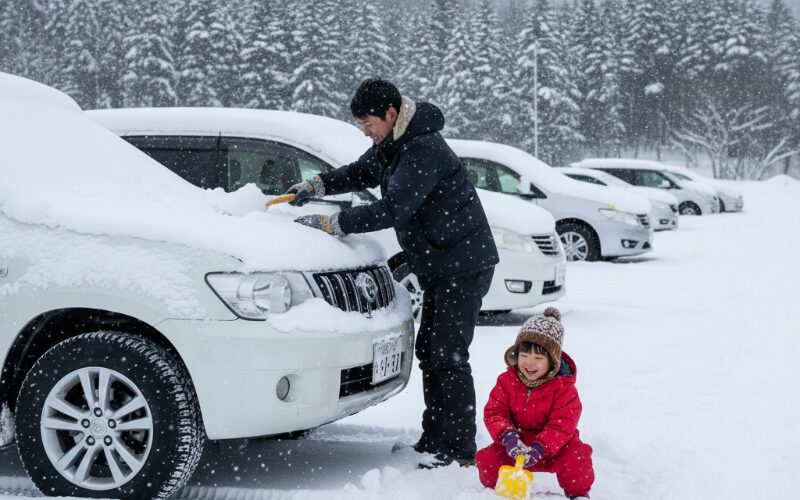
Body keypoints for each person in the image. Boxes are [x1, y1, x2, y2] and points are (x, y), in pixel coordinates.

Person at [287, 78, 499, 467]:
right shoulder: (392, 144)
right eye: (360, 126)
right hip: (441, 264)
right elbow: (359, 172)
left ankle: (459, 450)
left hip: (463, 264)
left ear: (391, 113)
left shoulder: (422, 148)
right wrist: (317, 183)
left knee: (448, 356)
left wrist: (335, 223)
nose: (366, 132)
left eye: (369, 123)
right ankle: (435, 438)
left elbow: (394, 208)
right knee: (429, 352)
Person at [475, 307, 594, 499]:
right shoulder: (506, 381)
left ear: (553, 361)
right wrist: (508, 437)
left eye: (538, 358)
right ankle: (496, 492)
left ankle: (579, 494)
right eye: (524, 356)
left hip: (555, 446)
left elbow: (562, 425)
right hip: (517, 444)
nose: (530, 363)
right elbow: (495, 413)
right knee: (488, 460)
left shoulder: (564, 388)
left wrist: (542, 447)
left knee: (577, 457)